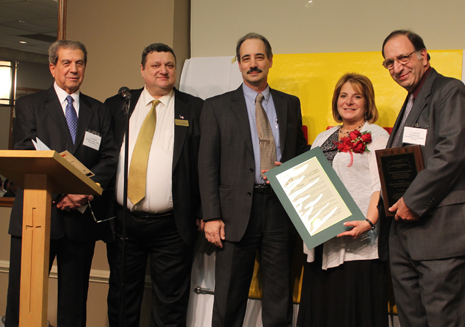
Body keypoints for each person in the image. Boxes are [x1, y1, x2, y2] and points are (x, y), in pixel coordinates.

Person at [379, 30, 465, 326]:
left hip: (444, 235)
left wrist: (412, 201)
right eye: (389, 63)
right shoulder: (411, 101)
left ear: (423, 56)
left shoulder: (450, 91)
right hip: (404, 236)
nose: (397, 67)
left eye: (403, 57)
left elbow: (451, 153)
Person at [5, 40, 118, 327]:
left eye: (79, 63)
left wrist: (81, 193)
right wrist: (61, 192)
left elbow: (109, 159)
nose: (73, 69)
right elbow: (24, 152)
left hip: (79, 222)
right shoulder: (30, 105)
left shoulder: (99, 110)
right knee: (23, 301)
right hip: (36, 216)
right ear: (53, 66)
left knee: (74, 304)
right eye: (66, 63)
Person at [199, 32, 309, 327]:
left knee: (279, 297)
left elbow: (298, 151)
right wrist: (211, 216)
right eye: (246, 58)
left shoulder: (290, 104)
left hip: (279, 209)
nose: (253, 64)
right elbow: (206, 164)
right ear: (239, 64)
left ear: (270, 61)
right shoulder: (216, 106)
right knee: (228, 298)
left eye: (259, 57)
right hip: (234, 214)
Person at [105, 43, 204, 327]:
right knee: (122, 299)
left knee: (170, 305)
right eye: (156, 65)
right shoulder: (118, 105)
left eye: (170, 65)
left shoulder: (194, 108)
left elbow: (204, 165)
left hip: (172, 227)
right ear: (142, 70)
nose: (163, 70)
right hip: (124, 223)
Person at [297, 73, 389, 327]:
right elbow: (310, 180)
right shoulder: (323, 138)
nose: (348, 101)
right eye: (343, 95)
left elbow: (379, 187)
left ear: (367, 102)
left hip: (359, 244)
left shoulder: (376, 136)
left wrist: (369, 222)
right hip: (323, 241)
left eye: (357, 96)